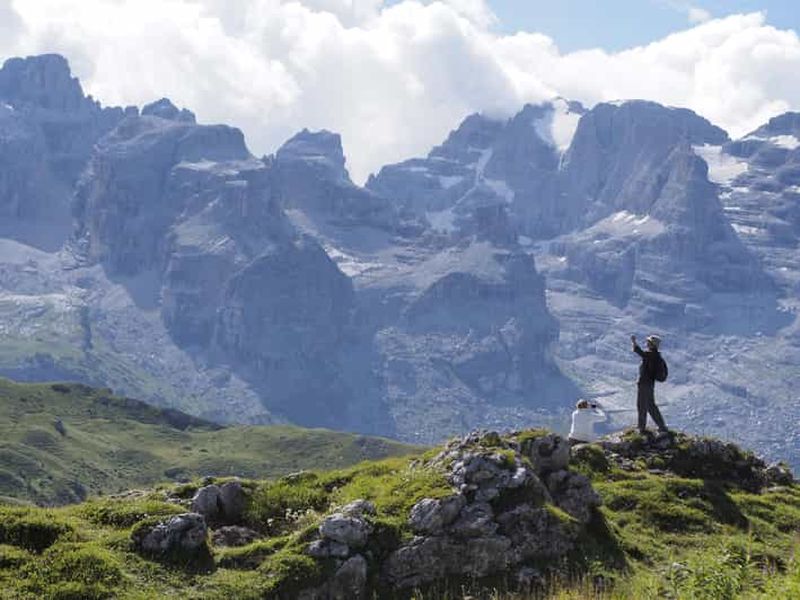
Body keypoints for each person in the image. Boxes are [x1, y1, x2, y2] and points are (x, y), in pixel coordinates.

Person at [631, 334, 669, 435]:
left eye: (648, 342)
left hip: (644, 384)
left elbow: (639, 352)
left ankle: (642, 427)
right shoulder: (656, 356)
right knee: (650, 405)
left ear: (652, 344)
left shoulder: (650, 355)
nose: (646, 343)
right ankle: (661, 426)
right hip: (649, 384)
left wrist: (634, 342)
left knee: (642, 405)